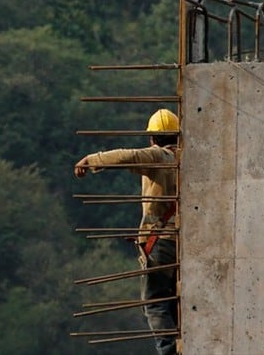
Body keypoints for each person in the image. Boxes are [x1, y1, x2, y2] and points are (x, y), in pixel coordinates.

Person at [74, 108, 179, 355]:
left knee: (154, 303)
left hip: (162, 244)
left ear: (152, 138)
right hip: (188, 243)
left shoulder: (159, 157)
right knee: (176, 300)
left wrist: (90, 160)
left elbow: (127, 156)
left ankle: (170, 351)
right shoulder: (191, 157)